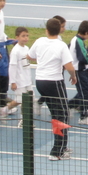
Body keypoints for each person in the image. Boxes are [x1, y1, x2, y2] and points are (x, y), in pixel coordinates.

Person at [28, 18, 76, 161]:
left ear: (46, 30)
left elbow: (30, 56)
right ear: (59, 29)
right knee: (62, 115)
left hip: (40, 81)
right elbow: (69, 66)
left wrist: (43, 59)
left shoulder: (39, 41)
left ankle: (62, 145)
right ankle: (58, 151)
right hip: (54, 81)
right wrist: (74, 76)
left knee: (56, 115)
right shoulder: (61, 46)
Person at [35, 15, 66, 114]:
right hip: (53, 74)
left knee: (50, 93)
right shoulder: (58, 43)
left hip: (52, 73)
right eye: (62, 26)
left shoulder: (58, 40)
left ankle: (40, 103)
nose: (64, 29)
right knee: (55, 98)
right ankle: (39, 103)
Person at [67, 20, 88, 125]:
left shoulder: (75, 40)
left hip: (77, 70)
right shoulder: (78, 41)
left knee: (83, 92)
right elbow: (83, 57)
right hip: (79, 71)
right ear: (87, 33)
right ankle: (83, 116)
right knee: (84, 93)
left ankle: (69, 106)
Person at [6, 27, 33, 121]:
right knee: (22, 101)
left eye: (27, 36)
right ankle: (23, 120)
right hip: (19, 80)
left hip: (27, 80)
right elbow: (12, 67)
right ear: (17, 37)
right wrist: (13, 82)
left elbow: (27, 64)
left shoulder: (27, 48)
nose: (25, 38)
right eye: (23, 36)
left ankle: (6, 109)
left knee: (28, 98)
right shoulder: (15, 51)